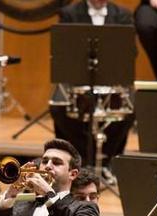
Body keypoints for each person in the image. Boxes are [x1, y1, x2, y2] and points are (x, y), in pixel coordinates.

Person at [51, 0, 135, 178]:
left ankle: (107, 161)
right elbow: (63, 50)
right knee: (58, 106)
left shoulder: (123, 15)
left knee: (129, 108)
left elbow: (130, 52)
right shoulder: (69, 13)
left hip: (111, 79)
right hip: (77, 80)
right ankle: (79, 161)